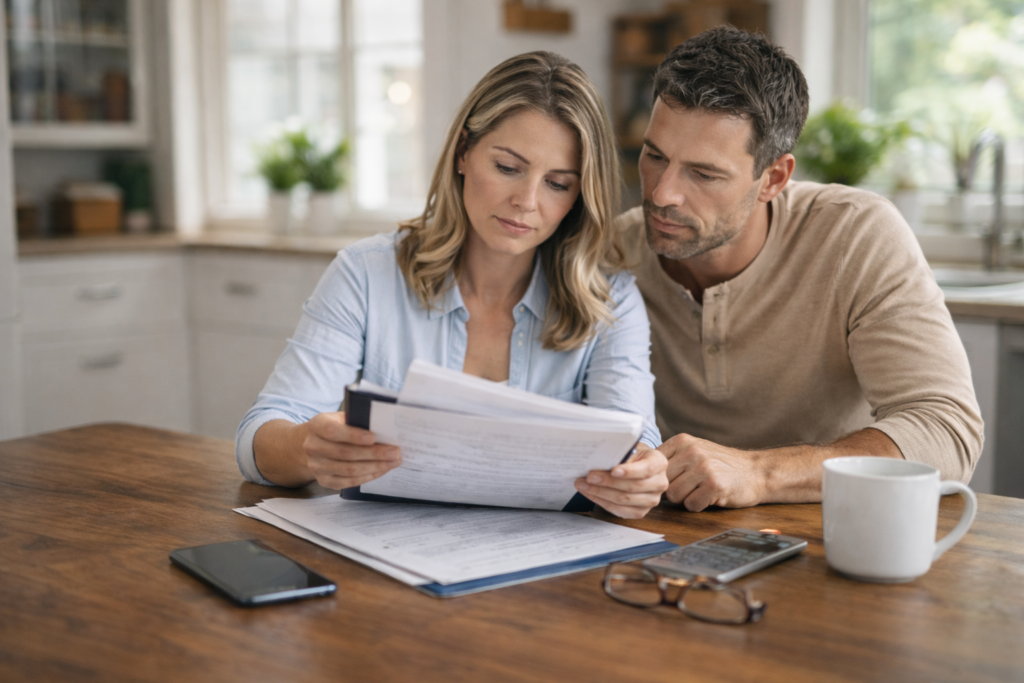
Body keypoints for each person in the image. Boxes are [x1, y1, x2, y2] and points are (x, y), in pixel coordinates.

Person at [236, 51, 668, 519]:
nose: (526, 201)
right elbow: (258, 437)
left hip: (542, 575)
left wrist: (640, 477)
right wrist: (307, 447)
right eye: (507, 168)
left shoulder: (610, 299)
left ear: (579, 194)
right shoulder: (366, 273)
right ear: (464, 152)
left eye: (557, 184)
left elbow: (637, 439)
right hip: (389, 557)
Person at [617, 27, 983, 511]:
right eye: (654, 156)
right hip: (669, 532)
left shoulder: (856, 235)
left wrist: (761, 474)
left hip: (832, 532)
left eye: (703, 174)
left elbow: (946, 429)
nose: (662, 194)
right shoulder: (610, 251)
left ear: (773, 179)